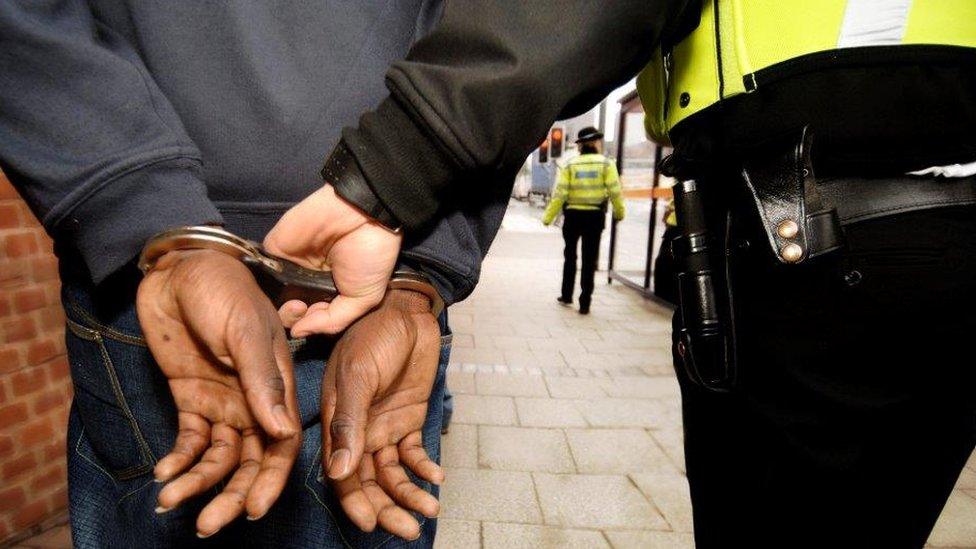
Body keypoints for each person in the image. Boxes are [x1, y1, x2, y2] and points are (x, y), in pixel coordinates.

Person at [269, 2, 976, 547]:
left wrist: (400, 159)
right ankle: (577, 291)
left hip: (821, 237)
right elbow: (604, 193)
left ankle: (575, 288)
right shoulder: (597, 164)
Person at [0, 1, 508, 545]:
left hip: (176, 268)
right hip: (172, 299)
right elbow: (510, 36)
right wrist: (422, 252)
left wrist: (141, 204)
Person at [541, 127, 625, 314]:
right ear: (596, 143)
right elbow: (615, 192)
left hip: (572, 216)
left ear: (580, 146)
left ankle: (567, 295)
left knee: (570, 256)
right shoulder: (606, 164)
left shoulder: (571, 165)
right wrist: (619, 213)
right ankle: (585, 302)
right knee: (589, 260)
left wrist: (548, 217)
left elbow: (560, 194)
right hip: (594, 217)